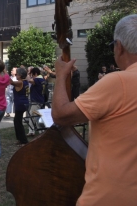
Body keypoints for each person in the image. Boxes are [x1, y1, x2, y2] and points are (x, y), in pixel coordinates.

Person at [51, 14, 137, 206]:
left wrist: (60, 75)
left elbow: (61, 115)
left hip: (111, 198)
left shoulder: (119, 82)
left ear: (119, 46)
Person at [9, 67, 29, 146]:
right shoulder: (25, 81)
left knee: (18, 122)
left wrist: (4, 71)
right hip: (23, 103)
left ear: (20, 75)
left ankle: (23, 140)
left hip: (20, 104)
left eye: (16, 74)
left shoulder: (20, 82)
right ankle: (20, 139)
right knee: (16, 121)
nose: (15, 75)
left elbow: (11, 82)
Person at [26, 67, 45, 136]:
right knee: (38, 116)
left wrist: (28, 74)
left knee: (32, 116)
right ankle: (41, 130)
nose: (32, 76)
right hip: (41, 100)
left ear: (35, 74)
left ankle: (32, 131)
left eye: (32, 75)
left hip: (36, 101)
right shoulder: (42, 80)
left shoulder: (37, 79)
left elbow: (29, 80)